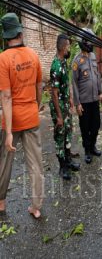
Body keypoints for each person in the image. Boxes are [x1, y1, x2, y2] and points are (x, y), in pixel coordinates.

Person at [0, 13, 44, 218]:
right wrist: (37, 105)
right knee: (35, 163)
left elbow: (6, 97)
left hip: (13, 120)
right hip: (31, 116)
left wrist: (9, 132)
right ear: (19, 31)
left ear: (6, 35)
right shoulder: (34, 55)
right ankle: (36, 207)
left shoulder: (3, 58)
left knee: (5, 161)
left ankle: (1, 202)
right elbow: (39, 87)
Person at [49, 34, 80, 181]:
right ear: (62, 47)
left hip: (66, 105)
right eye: (68, 46)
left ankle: (68, 160)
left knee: (68, 133)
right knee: (60, 136)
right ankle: (62, 167)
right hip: (59, 108)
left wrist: (70, 98)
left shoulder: (63, 62)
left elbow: (64, 84)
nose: (69, 49)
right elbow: (54, 93)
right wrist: (59, 116)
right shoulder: (55, 65)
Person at [72, 29, 102, 164]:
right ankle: (87, 151)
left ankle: (93, 145)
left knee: (96, 125)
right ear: (83, 42)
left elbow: (98, 76)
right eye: (89, 41)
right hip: (83, 102)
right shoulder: (77, 61)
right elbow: (73, 83)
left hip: (95, 99)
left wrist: (101, 92)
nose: (91, 44)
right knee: (85, 127)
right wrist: (77, 103)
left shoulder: (93, 57)